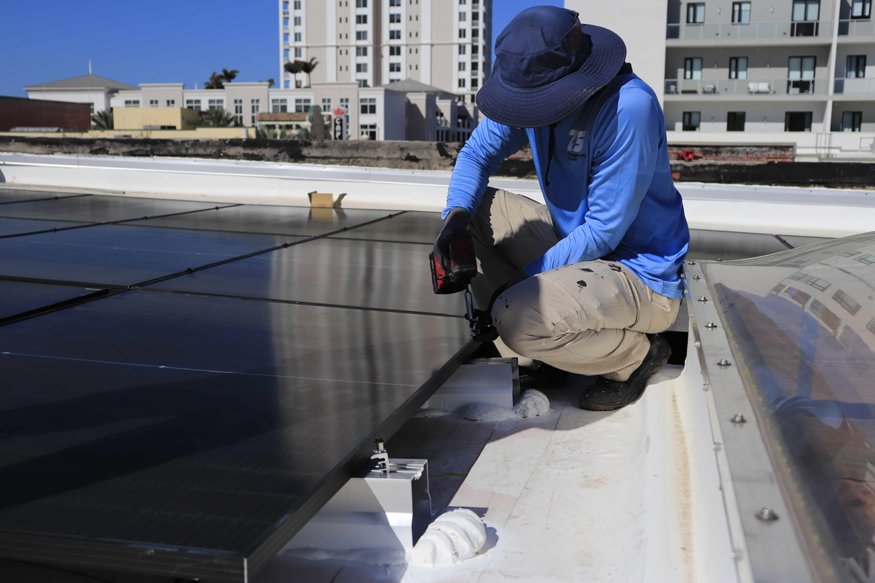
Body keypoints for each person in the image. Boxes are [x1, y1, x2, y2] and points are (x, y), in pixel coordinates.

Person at [432, 6, 689, 411]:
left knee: (517, 315)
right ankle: (545, 352)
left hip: (639, 276)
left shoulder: (628, 107)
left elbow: (603, 231)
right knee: (474, 211)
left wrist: (515, 288)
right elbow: (476, 154)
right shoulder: (532, 93)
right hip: (580, 251)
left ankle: (635, 358)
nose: (528, 110)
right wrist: (454, 220)